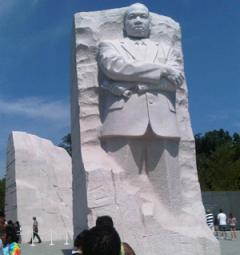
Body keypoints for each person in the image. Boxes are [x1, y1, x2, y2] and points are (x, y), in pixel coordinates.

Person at [98, 3, 184, 209]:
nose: (137, 20)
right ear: (124, 23)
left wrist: (138, 82)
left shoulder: (167, 49)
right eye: (132, 17)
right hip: (123, 118)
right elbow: (114, 68)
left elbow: (175, 81)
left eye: (142, 17)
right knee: (122, 182)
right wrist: (161, 70)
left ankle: (172, 224)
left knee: (168, 188)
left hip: (163, 120)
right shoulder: (109, 46)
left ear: (150, 23)